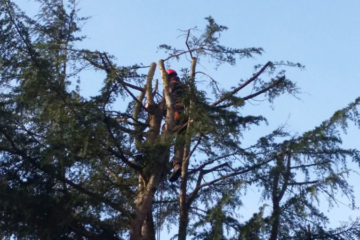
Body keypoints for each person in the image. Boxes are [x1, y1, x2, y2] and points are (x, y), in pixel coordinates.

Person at [165, 69, 187, 182]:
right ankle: (176, 165)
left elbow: (169, 102)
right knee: (180, 142)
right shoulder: (184, 86)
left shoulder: (172, 85)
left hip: (176, 114)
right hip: (186, 117)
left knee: (164, 135)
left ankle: (159, 159)